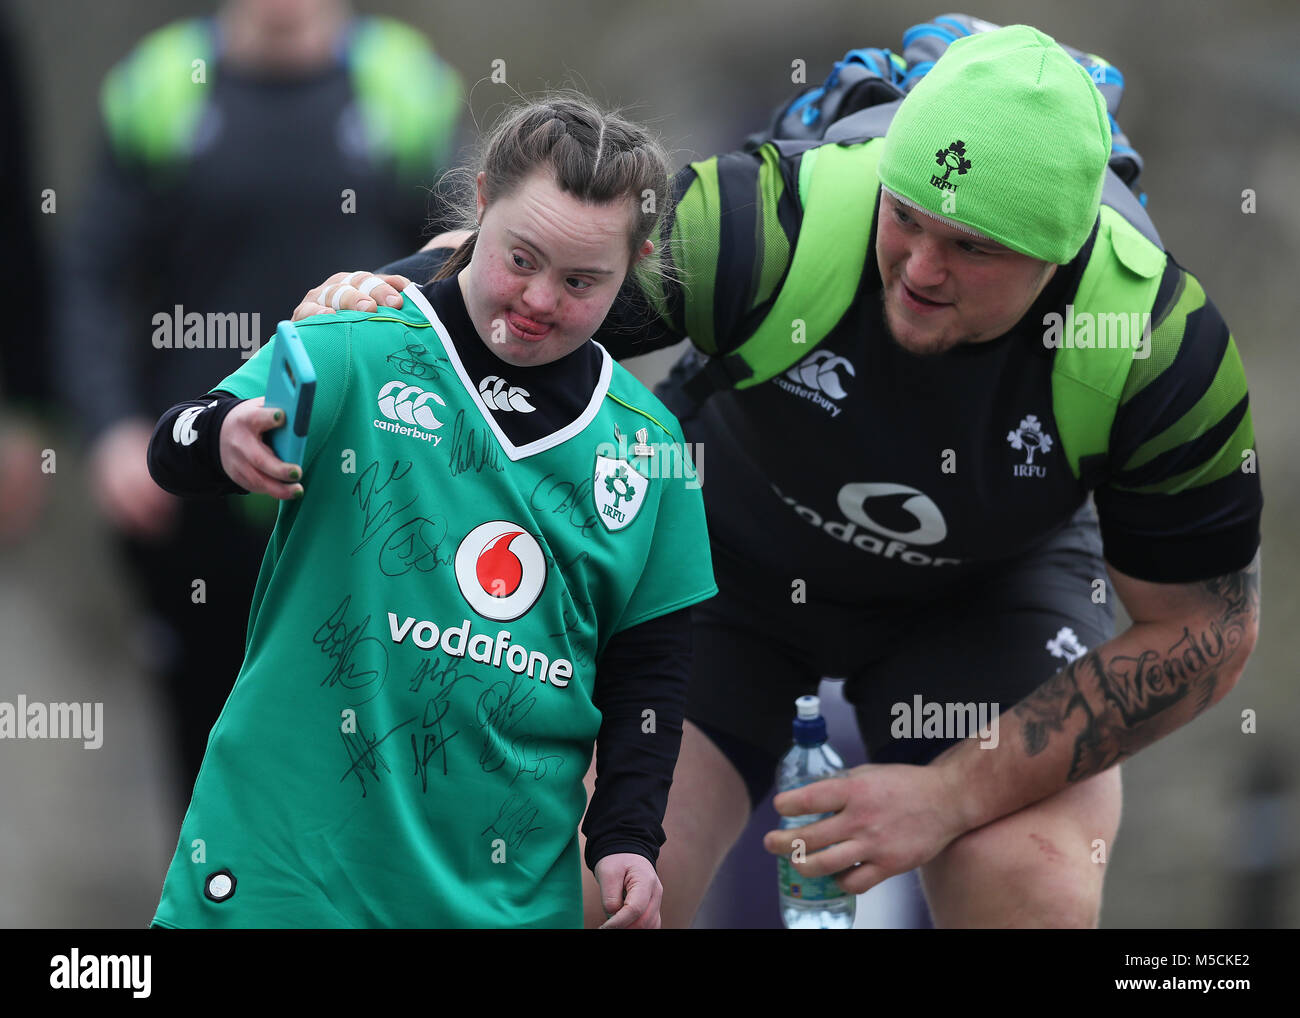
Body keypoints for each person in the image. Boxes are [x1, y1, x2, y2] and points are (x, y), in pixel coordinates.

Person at [294, 24, 1263, 928]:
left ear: (1058, 257)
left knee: (1033, 892)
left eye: (970, 248)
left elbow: (1209, 627)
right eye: (908, 218)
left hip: (987, 599)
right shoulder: (778, 213)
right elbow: (519, 280)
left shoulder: (1151, 345)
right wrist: (359, 317)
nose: (920, 268)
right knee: (577, 884)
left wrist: (950, 794)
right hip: (722, 561)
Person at [146, 96, 716, 928]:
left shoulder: (649, 443)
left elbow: (651, 666)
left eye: (581, 281)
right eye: (521, 258)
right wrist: (226, 436)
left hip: (500, 896)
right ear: (481, 202)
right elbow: (175, 446)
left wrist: (627, 836)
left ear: (637, 264)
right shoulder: (358, 335)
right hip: (282, 873)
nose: (538, 298)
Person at [55, 0, 463, 808]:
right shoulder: (162, 86)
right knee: (207, 750)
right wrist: (110, 432)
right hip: (194, 474)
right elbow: (92, 276)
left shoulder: (406, 84)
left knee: (363, 752)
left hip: (365, 482)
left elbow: (463, 267)